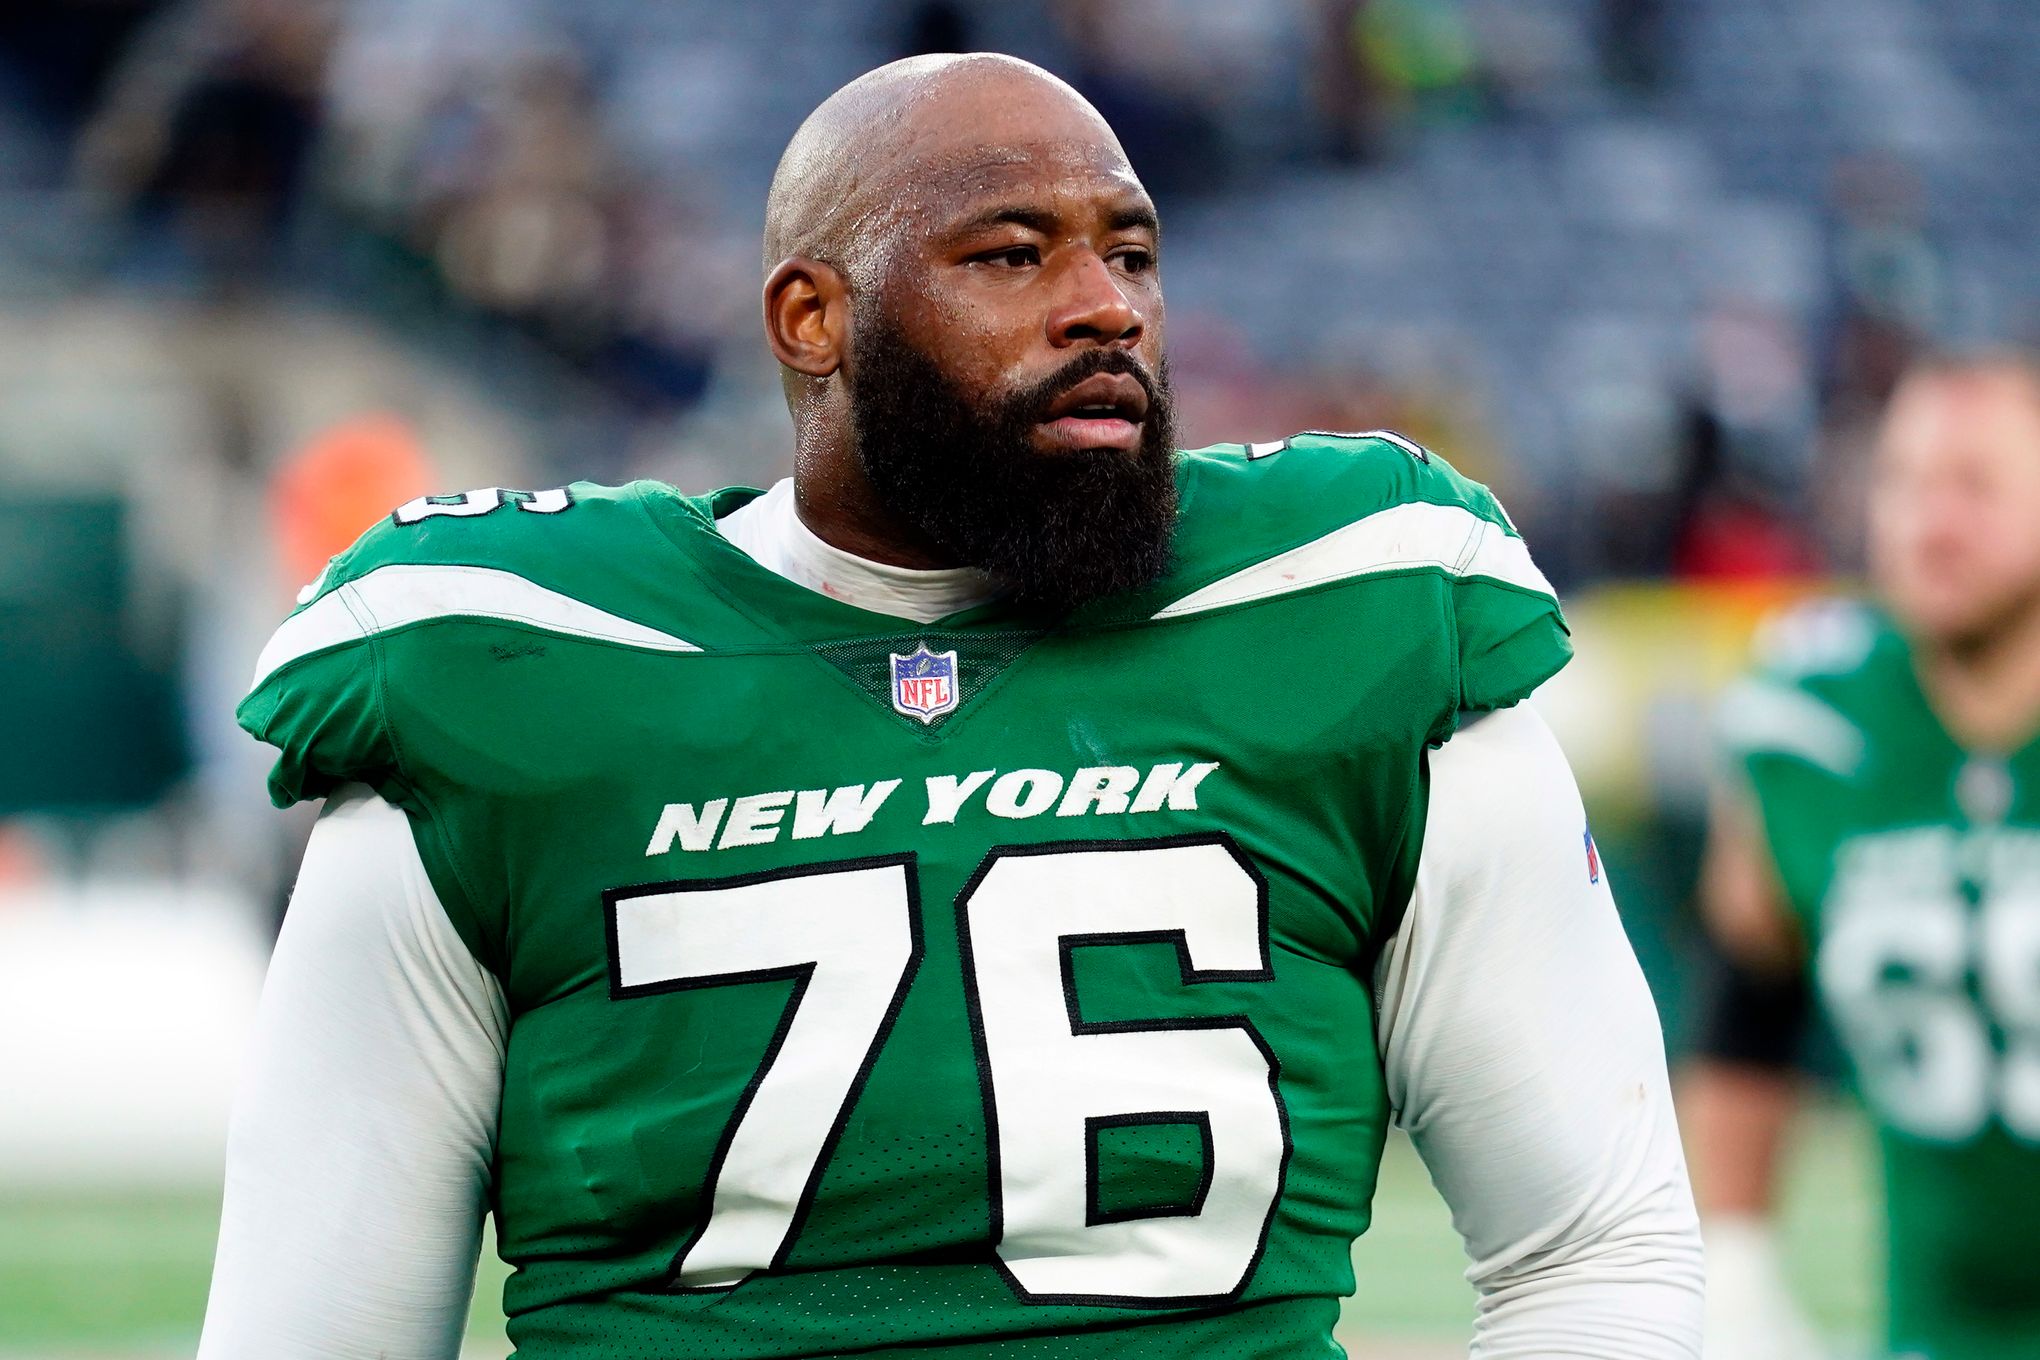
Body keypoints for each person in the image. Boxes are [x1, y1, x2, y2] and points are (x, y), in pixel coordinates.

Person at [198, 54, 1700, 1359]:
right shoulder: (516, 653)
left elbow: (1594, 1251)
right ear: (811, 319)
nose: (1104, 307)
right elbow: (315, 1333)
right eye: (1011, 256)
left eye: (1133, 252)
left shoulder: (1352, 598)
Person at [1690, 352, 2040, 1360]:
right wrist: (1739, 1263)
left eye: (1975, 485)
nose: (1932, 524)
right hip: (1935, 1332)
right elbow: (1750, 1003)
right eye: (1906, 482)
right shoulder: (1812, 716)